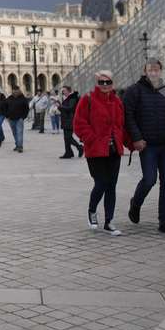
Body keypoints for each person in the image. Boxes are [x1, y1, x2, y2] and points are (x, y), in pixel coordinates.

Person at [124, 59, 165, 236]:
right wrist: (136, 138)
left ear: (161, 71)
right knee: (149, 180)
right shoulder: (134, 90)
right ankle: (136, 203)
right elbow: (128, 117)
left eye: (157, 70)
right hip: (147, 144)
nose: (154, 73)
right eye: (150, 70)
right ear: (145, 71)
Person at [73, 70, 130, 235]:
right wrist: (92, 138)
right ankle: (92, 210)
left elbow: (121, 126)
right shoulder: (88, 100)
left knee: (111, 186)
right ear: (97, 84)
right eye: (101, 82)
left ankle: (109, 222)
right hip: (96, 150)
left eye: (108, 82)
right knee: (101, 183)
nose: (105, 85)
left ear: (112, 83)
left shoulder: (117, 102)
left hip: (114, 150)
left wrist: (131, 143)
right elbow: (79, 124)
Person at [58, 85, 84, 159]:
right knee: (66, 137)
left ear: (69, 91)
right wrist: (59, 107)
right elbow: (63, 109)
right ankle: (68, 152)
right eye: (63, 91)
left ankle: (80, 147)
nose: (63, 92)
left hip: (70, 119)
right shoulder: (65, 98)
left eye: (64, 91)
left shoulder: (73, 98)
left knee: (68, 137)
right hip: (65, 119)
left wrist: (60, 106)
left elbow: (70, 108)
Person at [3, 85, 29, 152]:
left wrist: (23, 117)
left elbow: (26, 109)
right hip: (11, 118)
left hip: (19, 118)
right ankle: (17, 144)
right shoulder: (9, 98)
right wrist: (7, 116)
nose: (16, 91)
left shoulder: (23, 98)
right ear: (12, 91)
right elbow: (4, 108)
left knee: (19, 132)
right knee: (14, 133)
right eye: (14, 90)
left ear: (19, 90)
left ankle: (20, 146)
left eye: (17, 90)